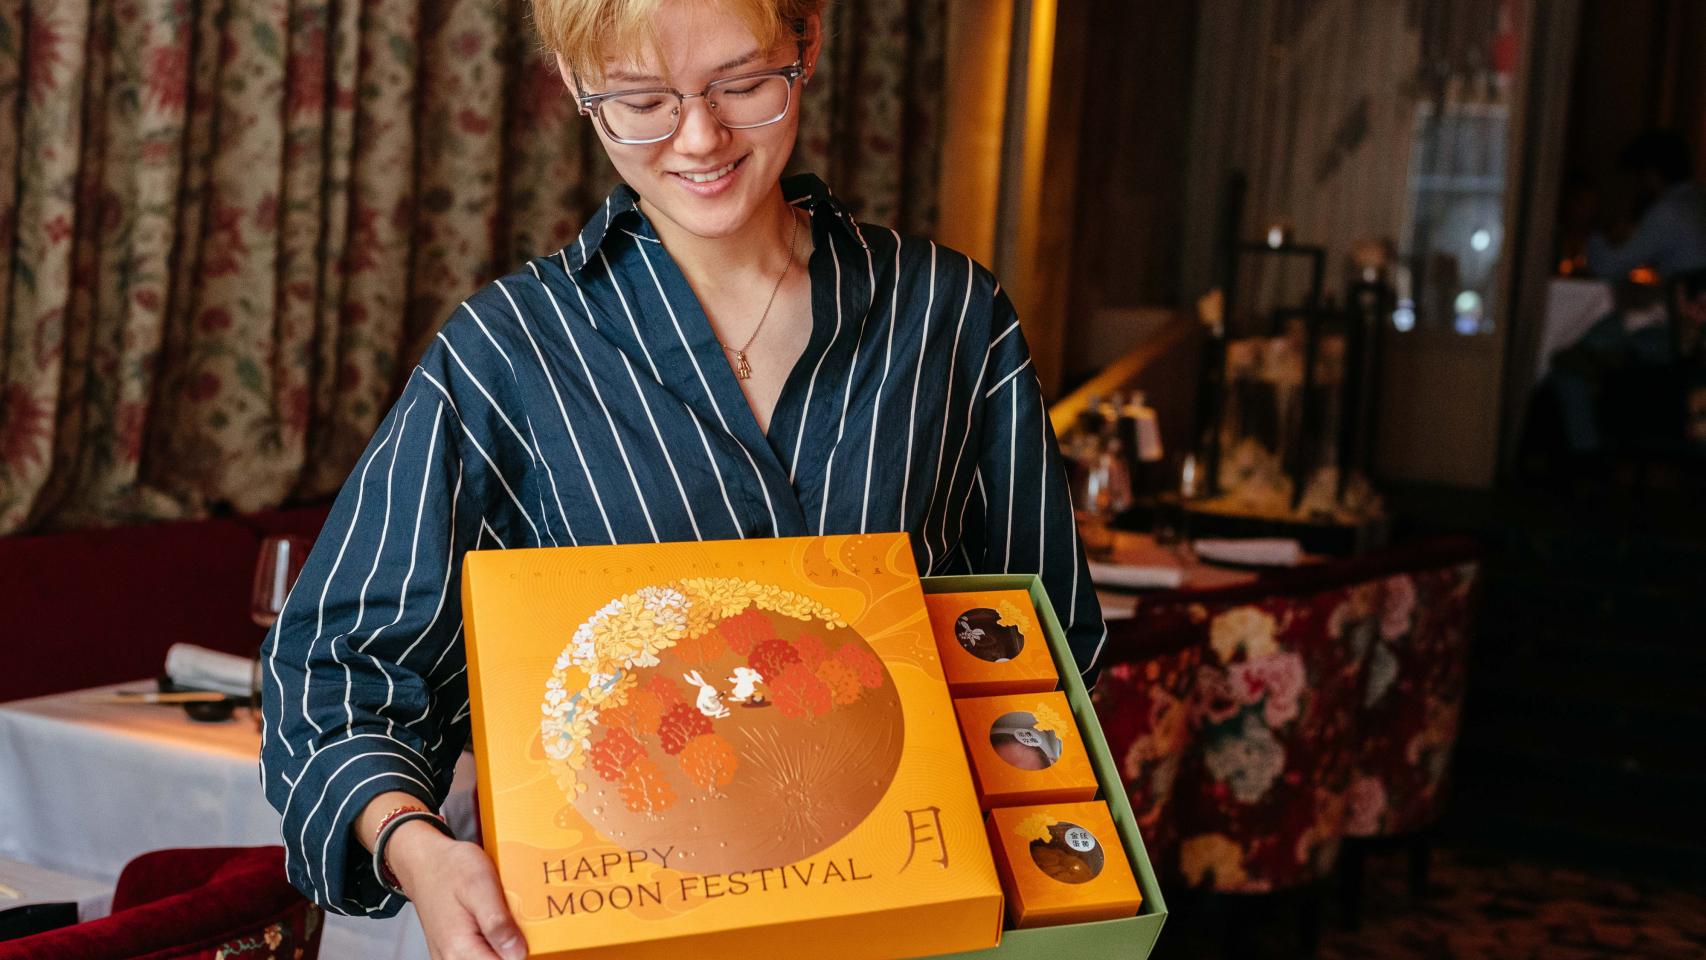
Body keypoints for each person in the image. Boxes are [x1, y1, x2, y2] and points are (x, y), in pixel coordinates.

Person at [259, 1, 1106, 957]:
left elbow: (1045, 642)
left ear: (807, 45)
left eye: (744, 83)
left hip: (912, 927)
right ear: (581, 91)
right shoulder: (511, 351)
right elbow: (338, 671)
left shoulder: (949, 315)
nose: (700, 138)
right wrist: (418, 848)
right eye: (640, 99)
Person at [1585, 129, 1706, 281]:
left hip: (1692, 300)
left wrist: (1598, 235)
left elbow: (1609, 268)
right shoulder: (1698, 199)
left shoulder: (1667, 212)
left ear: (1651, 173)